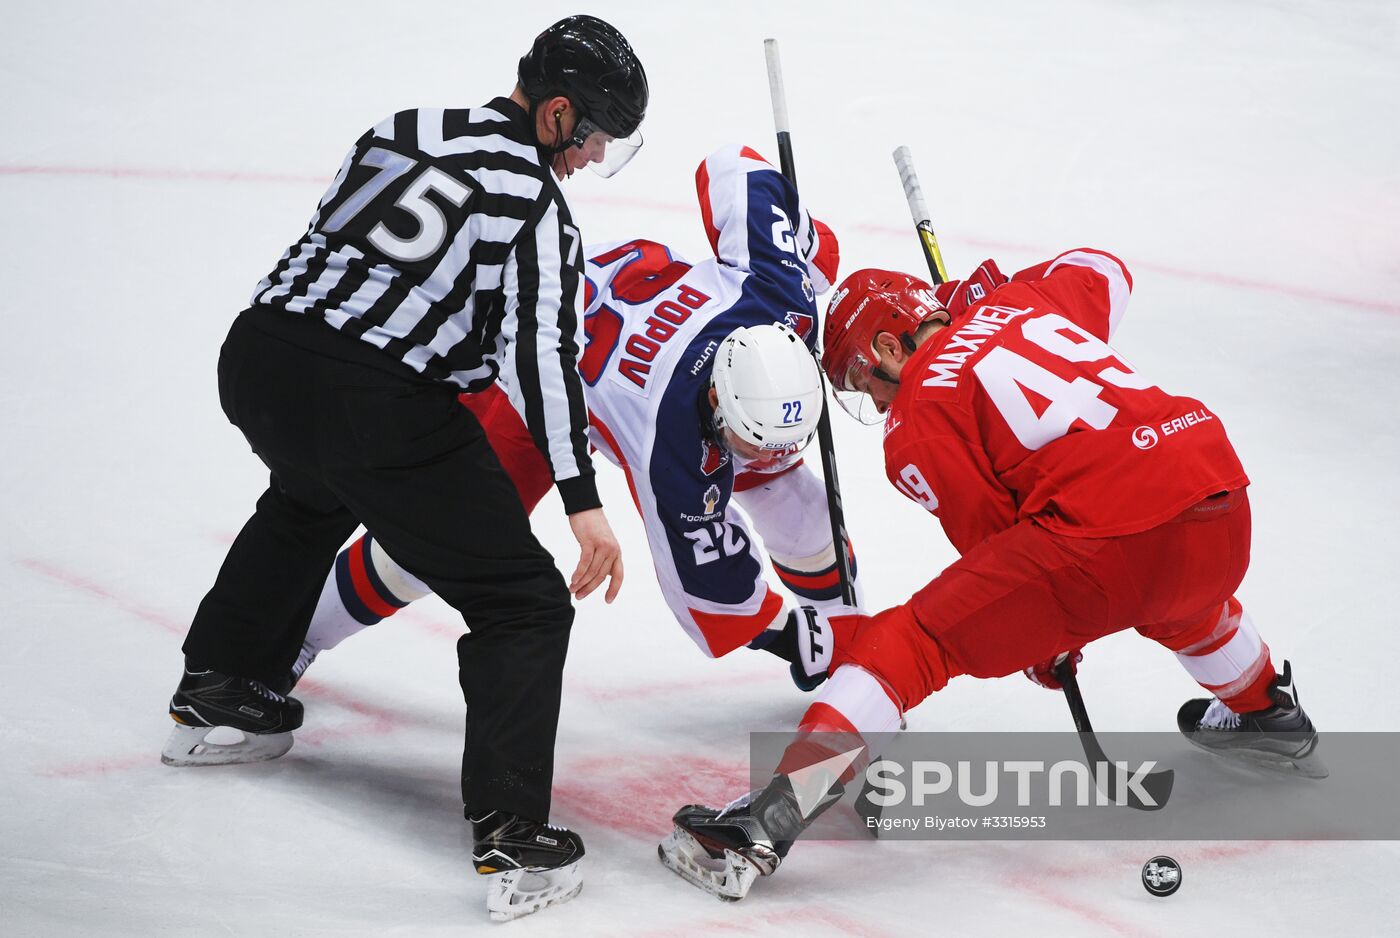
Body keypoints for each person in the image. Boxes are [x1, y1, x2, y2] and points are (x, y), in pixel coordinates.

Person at [161, 15, 646, 922]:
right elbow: (540, 358)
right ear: (554, 115)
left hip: (259, 355)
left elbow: (337, 251)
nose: (588, 159)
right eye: (590, 139)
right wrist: (582, 501)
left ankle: (219, 691)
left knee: (307, 493)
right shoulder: (536, 205)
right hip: (373, 401)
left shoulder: (403, 127)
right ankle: (513, 840)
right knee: (523, 603)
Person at [659, 249, 1323, 901]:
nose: (881, 404)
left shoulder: (915, 425)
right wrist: (994, 292)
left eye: (867, 383)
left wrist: (1046, 642)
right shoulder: (1022, 302)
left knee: (911, 642)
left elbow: (998, 550)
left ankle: (769, 819)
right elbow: (1105, 268)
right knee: (1181, 597)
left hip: (1109, 547)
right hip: (1220, 501)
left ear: (891, 346)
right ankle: (1267, 709)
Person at [285, 143, 861, 703]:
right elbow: (710, 594)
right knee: (432, 542)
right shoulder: (674, 454)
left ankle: (849, 638)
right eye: (744, 442)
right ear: (715, 399)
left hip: (617, 299)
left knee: (798, 502)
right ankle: (292, 640)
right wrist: (797, 639)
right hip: (541, 373)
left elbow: (735, 167)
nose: (758, 458)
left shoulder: (782, 296)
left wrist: (801, 252)